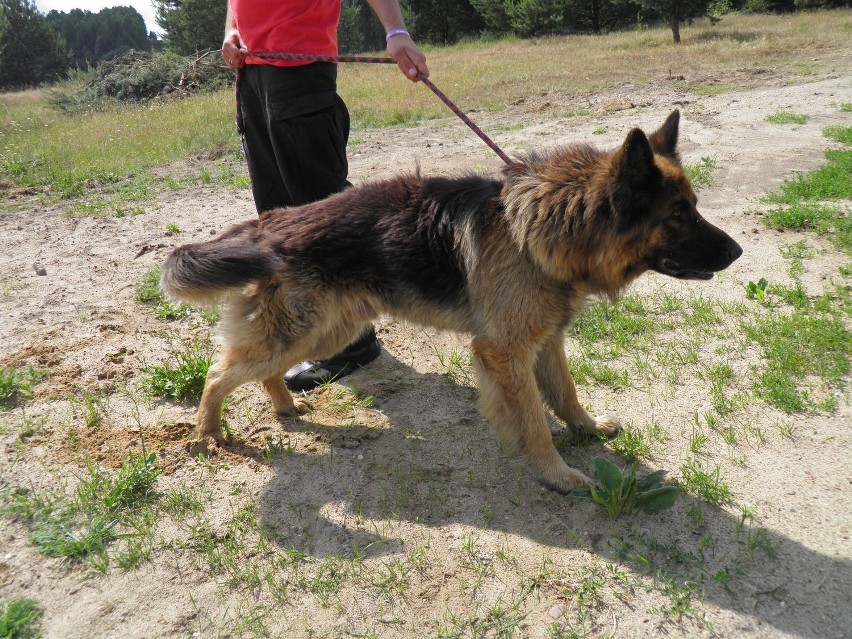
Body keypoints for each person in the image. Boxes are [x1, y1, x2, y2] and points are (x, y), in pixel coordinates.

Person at [221, 0, 429, 391]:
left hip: (299, 72)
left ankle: (352, 344)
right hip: (253, 72)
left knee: (321, 209)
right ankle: (316, 325)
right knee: (277, 214)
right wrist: (231, 31)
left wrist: (396, 32)